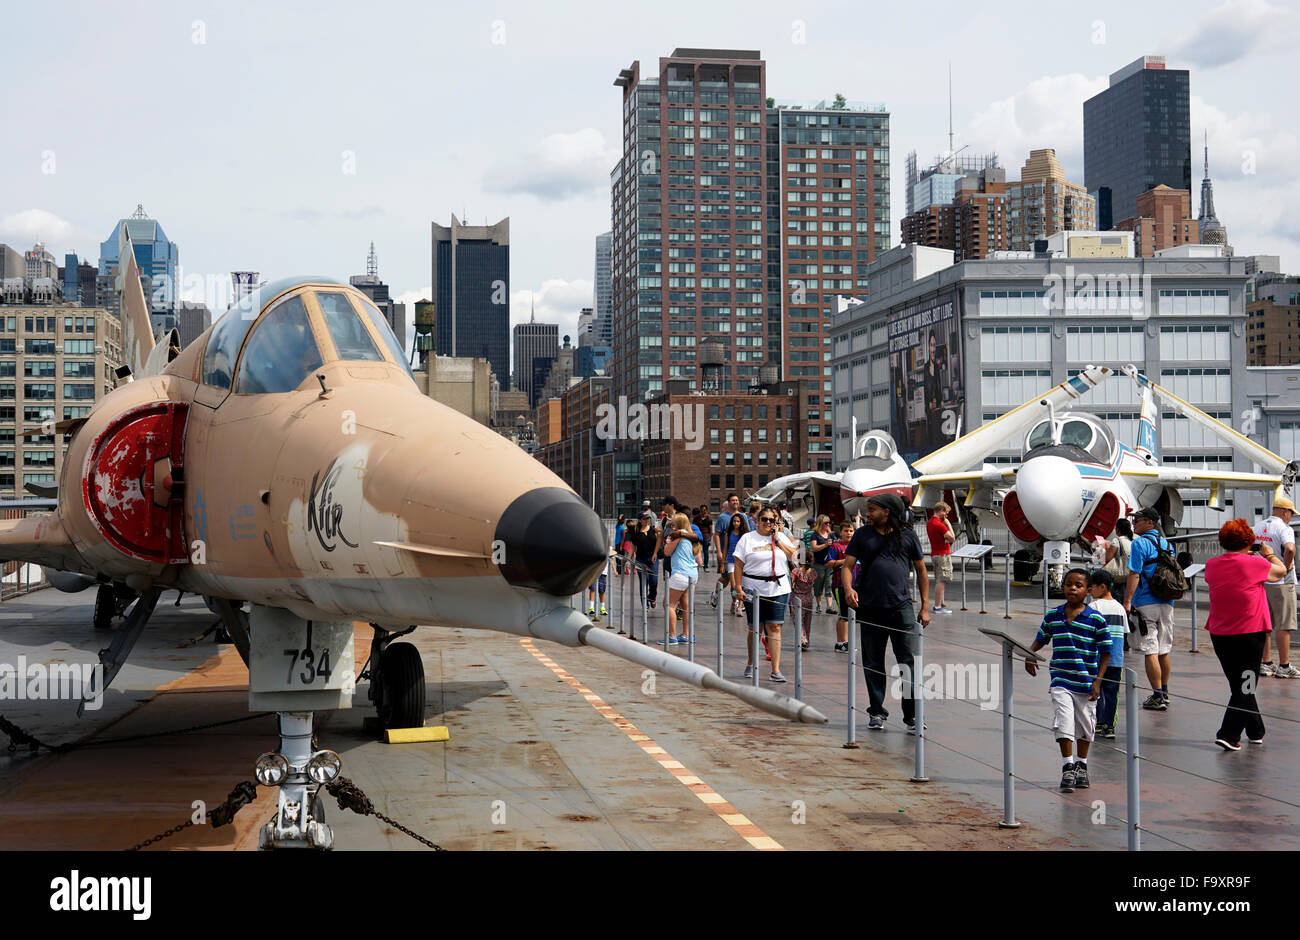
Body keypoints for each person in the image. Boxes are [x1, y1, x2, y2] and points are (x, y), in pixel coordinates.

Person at [841, 493, 931, 732]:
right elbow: (848, 566)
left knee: (909, 663)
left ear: (887, 512)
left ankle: (912, 714)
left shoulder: (908, 536)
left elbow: (921, 572)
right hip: (870, 607)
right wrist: (848, 589)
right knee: (872, 662)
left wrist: (924, 606)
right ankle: (876, 712)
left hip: (901, 608)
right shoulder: (862, 535)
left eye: (872, 510)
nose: (867, 514)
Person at [1025, 568, 1111, 792]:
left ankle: (1082, 766)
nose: (1072, 588)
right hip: (1061, 680)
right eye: (1068, 584)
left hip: (1086, 682)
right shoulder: (1053, 615)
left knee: (1085, 726)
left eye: (1078, 585)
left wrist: (1098, 681)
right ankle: (1067, 767)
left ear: (1089, 590)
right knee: (1063, 721)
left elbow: (1106, 652)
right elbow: (1041, 638)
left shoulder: (1095, 619)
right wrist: (1029, 654)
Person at [1204, 518, 1286, 750]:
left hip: (1220, 633)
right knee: (1246, 685)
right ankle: (1229, 734)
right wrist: (1268, 554)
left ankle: (1255, 729)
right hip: (1249, 633)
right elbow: (1281, 572)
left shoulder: (1212, 565)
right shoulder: (1255, 563)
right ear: (1249, 541)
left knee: (1238, 684)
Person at [732, 507, 797, 682]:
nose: (768, 523)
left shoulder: (780, 537)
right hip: (753, 587)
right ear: (757, 520)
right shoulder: (747, 539)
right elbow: (738, 564)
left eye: (772, 520)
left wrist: (778, 541)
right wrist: (738, 587)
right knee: (756, 628)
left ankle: (775, 670)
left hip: (778, 588)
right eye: (764, 519)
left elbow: (795, 557)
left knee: (775, 627)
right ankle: (751, 663)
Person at [1122, 507, 1176, 710]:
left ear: (1151, 523)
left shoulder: (1139, 544)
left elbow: (1134, 574)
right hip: (1167, 603)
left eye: (1139, 520)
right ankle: (1165, 691)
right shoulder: (1167, 544)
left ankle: (1157, 696)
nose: (1134, 524)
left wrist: (1127, 601)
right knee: (1164, 649)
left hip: (1146, 602)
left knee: (1150, 650)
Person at [1254, 496, 1297, 678]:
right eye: (1291, 514)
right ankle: (1284, 666)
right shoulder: (1285, 528)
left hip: (1263, 579)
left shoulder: (1258, 526)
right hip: (1282, 581)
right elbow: (1290, 549)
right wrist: (1286, 566)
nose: (1291, 517)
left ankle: (1266, 663)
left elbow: (1250, 548)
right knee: (1284, 624)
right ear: (1285, 512)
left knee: (1266, 624)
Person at [1088, 569, 1127, 739]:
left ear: (1102, 587)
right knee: (1112, 693)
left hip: (1097, 658)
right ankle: (1109, 726)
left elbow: (1088, 631)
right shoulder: (1120, 607)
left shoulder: (1094, 606)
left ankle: (1098, 722)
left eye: (1092, 587)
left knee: (1097, 690)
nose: (1090, 591)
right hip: (1116, 659)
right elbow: (1125, 632)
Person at [664, 512, 701, 644]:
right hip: (692, 574)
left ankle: (672, 636)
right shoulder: (691, 537)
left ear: (678, 524)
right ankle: (687, 635)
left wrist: (669, 539)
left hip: (680, 573)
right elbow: (700, 561)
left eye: (673, 523)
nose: (671, 525)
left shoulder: (678, 535)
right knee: (686, 606)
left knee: (668, 604)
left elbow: (667, 552)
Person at [824, 521, 856, 652]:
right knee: (845, 615)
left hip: (855, 585)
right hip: (840, 585)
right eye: (846, 531)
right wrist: (845, 561)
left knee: (846, 614)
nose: (848, 533)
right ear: (841, 532)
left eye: (851, 531)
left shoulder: (856, 547)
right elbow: (827, 562)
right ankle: (844, 643)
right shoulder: (836, 547)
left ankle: (841, 642)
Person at [628, 511, 662, 609]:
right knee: (644, 581)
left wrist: (655, 553)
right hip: (640, 560)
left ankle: (652, 597)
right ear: (640, 520)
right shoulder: (636, 532)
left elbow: (660, 541)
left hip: (652, 559)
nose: (647, 520)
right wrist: (628, 560)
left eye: (648, 518)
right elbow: (632, 547)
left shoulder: (653, 530)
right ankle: (645, 603)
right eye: (645, 519)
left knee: (654, 581)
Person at [926, 502, 956, 613]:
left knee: (939, 579)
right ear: (941, 511)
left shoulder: (929, 523)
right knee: (942, 580)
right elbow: (952, 538)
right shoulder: (939, 524)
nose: (946, 516)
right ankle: (937, 606)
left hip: (935, 553)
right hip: (943, 554)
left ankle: (938, 605)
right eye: (946, 513)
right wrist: (948, 524)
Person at [809, 515, 835, 614]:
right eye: (826, 523)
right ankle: (819, 605)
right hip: (818, 563)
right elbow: (814, 548)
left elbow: (836, 545)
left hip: (830, 563)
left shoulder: (831, 535)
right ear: (820, 524)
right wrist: (825, 545)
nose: (828, 525)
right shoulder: (815, 535)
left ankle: (829, 607)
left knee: (829, 584)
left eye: (829, 523)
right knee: (818, 584)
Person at [790, 559, 816, 650]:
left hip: (797, 598)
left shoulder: (796, 571)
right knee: (807, 621)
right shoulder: (813, 572)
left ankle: (802, 640)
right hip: (809, 598)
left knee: (798, 621)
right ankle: (806, 641)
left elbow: (791, 583)